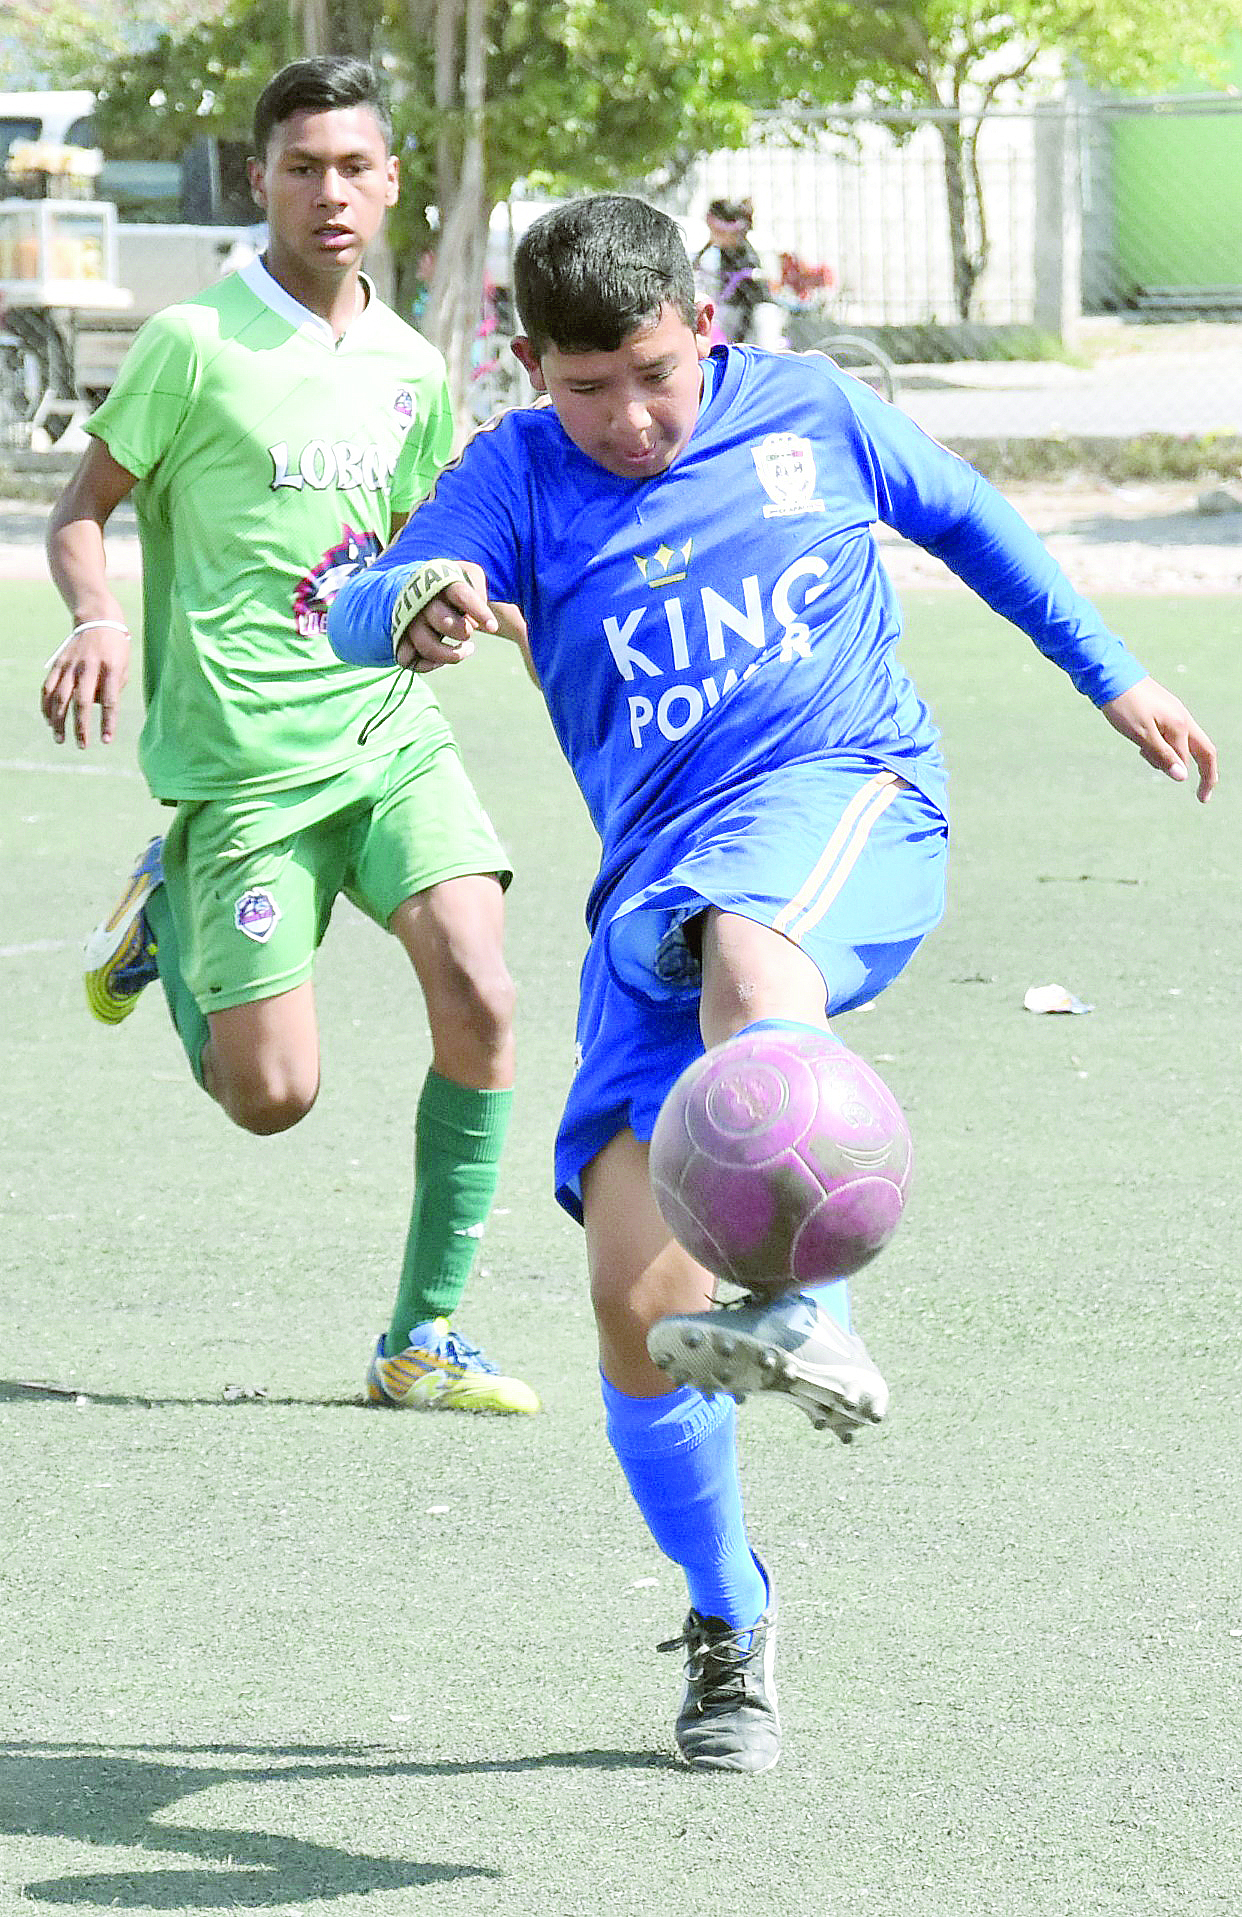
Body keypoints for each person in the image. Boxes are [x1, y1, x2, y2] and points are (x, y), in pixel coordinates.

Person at [325, 194, 1218, 1772]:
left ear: (703, 330)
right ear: (529, 366)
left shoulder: (806, 410)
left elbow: (968, 521)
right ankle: (728, 1608)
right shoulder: (511, 479)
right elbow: (361, 600)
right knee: (628, 1303)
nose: (627, 416)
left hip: (846, 797)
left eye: (654, 373)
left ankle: (813, 1303)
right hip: (647, 902)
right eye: (584, 386)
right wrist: (411, 601)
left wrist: (1115, 675)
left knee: (754, 948)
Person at [38, 55, 538, 1418]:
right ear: (260, 178)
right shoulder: (193, 345)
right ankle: (171, 919)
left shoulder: (407, 362)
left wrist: (458, 600)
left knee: (485, 996)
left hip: (387, 741)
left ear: (390, 184)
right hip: (245, 766)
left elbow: (434, 538)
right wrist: (94, 618)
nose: (330, 192)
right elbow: (79, 509)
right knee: (269, 1100)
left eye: (355, 166)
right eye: (302, 165)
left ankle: (421, 1338)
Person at [692, 196, 770, 344]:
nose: (713, 236)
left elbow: (751, 283)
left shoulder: (745, 256)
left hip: (750, 309)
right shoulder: (721, 249)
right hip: (731, 309)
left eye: (716, 231)